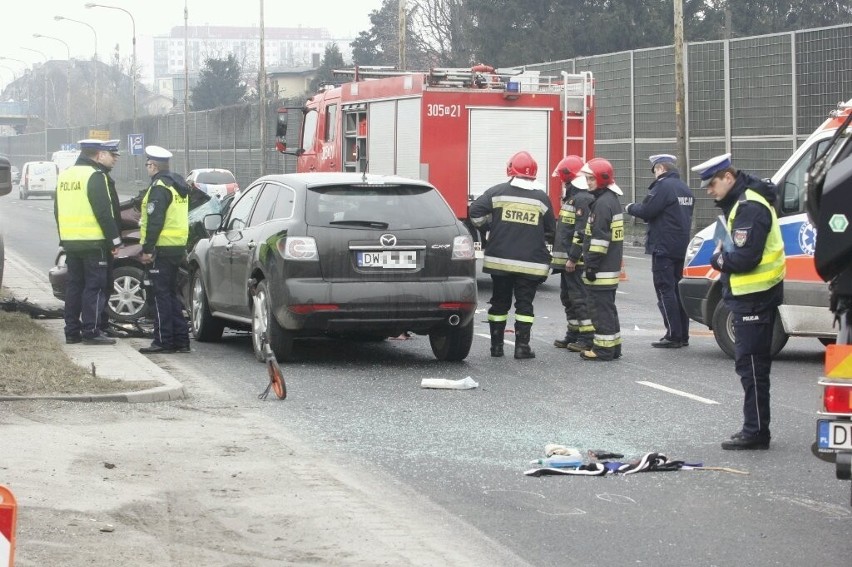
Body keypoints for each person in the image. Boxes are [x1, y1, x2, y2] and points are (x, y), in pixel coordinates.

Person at [691, 153, 785, 450]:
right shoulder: (741, 203)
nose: (709, 191)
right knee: (750, 365)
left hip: (755, 297)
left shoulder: (749, 207)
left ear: (728, 178)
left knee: (753, 367)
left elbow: (744, 257)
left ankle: (756, 432)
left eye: (713, 184)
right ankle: (755, 428)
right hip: (750, 296)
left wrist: (718, 260)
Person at [469, 151, 556, 359]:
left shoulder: (496, 193)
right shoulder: (542, 199)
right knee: (524, 305)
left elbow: (475, 214)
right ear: (534, 173)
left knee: (499, 303)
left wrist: (492, 226)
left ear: (510, 170)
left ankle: (496, 347)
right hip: (530, 264)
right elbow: (551, 231)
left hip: (500, 261)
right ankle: (522, 347)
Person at [54, 139, 122, 345]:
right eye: (111, 155)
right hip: (94, 243)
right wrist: (115, 242)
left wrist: (64, 237)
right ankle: (92, 331)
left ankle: (72, 332)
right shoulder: (95, 176)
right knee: (96, 287)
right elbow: (103, 212)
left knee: (74, 286)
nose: (114, 160)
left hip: (71, 242)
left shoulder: (65, 175)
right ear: (99, 155)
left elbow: (57, 210)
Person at [625, 154, 694, 348]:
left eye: (654, 170)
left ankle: (673, 334)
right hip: (681, 245)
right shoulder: (685, 188)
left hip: (663, 245)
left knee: (665, 290)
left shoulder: (663, 187)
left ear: (660, 169)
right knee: (677, 290)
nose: (654, 175)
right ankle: (682, 334)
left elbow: (647, 210)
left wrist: (630, 208)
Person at [138, 145, 192, 354]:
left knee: (160, 296)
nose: (147, 168)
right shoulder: (177, 184)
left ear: (152, 165)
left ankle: (163, 340)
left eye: (147, 164)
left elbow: (155, 220)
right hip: (177, 246)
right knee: (171, 295)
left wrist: (147, 249)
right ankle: (181, 340)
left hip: (162, 247)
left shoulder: (160, 187)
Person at [578, 158, 624, 362]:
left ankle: (603, 350)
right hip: (610, 268)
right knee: (608, 309)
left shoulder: (602, 204)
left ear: (601, 179)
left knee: (599, 310)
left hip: (601, 269)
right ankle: (613, 347)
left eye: (590, 179)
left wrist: (591, 266)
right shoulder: (611, 201)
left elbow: (599, 240)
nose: (588, 183)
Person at [549, 155, 596, 351]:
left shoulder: (583, 199)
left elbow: (581, 231)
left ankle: (587, 338)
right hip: (567, 261)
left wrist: (573, 257)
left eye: (563, 179)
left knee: (579, 299)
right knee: (568, 298)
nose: (562, 183)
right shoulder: (573, 197)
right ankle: (573, 334)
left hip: (575, 262)